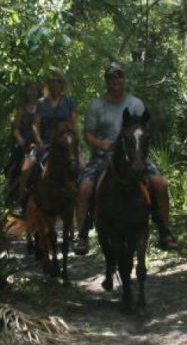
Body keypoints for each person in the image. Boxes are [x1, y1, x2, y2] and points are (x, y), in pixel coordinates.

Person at [74, 62, 178, 255]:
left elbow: (144, 131)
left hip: (135, 157)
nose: (116, 80)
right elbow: (87, 134)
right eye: (111, 77)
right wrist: (102, 144)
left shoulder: (135, 104)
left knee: (160, 184)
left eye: (119, 76)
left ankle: (164, 230)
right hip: (103, 157)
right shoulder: (97, 105)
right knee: (85, 187)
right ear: (106, 80)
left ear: (124, 79)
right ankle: (81, 234)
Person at [19, 70, 79, 207]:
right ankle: (23, 202)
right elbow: (35, 124)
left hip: (65, 143)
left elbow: (73, 124)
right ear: (48, 84)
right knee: (26, 169)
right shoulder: (41, 103)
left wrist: (70, 136)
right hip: (44, 143)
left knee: (81, 166)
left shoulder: (69, 102)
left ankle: (81, 204)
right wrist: (38, 141)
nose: (55, 84)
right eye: (52, 81)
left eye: (58, 81)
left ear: (62, 84)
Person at [7, 81, 42, 192]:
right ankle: (14, 189)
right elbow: (16, 129)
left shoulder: (41, 108)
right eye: (30, 90)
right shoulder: (22, 108)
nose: (33, 92)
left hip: (37, 141)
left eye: (34, 90)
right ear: (26, 91)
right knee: (15, 162)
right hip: (23, 140)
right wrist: (20, 140)